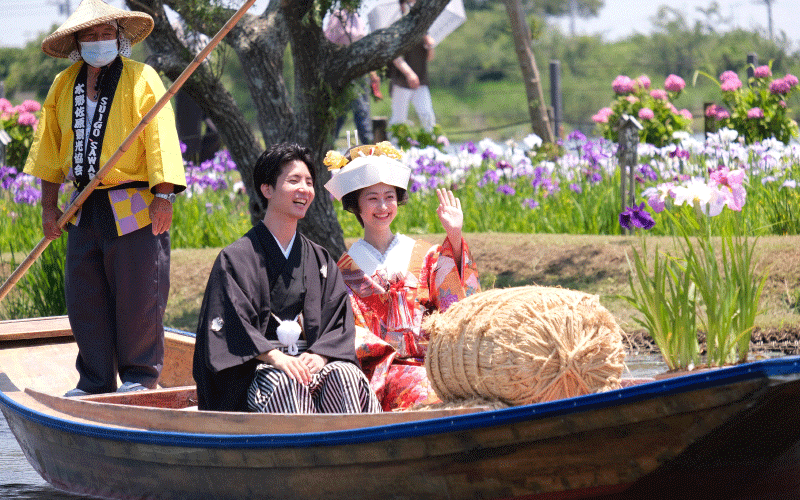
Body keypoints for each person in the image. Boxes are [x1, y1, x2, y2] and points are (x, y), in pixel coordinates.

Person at [23, 0, 186, 397]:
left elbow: (161, 139)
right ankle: (94, 381)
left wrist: (163, 195)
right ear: (78, 42)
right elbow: (49, 146)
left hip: (133, 200)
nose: (99, 41)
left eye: (106, 33)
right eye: (90, 35)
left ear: (119, 36)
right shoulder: (64, 84)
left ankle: (139, 377)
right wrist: (49, 206)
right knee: (84, 295)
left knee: (139, 291)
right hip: (82, 204)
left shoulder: (143, 78)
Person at [193, 143, 381, 414]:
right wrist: (276, 357)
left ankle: (355, 451)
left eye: (309, 182)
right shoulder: (235, 259)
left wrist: (321, 354)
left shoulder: (319, 259)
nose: (304, 189)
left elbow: (339, 320)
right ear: (267, 189)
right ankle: (300, 455)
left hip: (310, 363)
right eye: (294, 181)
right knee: (285, 384)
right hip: (260, 368)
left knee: (345, 376)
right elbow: (228, 325)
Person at [323, 142, 480, 411]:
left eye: (390, 196)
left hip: (431, 362)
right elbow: (346, 331)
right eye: (372, 198)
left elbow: (458, 302)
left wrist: (454, 236)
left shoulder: (426, 255)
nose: (383, 206)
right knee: (430, 393)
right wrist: (385, 351)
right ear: (356, 206)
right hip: (380, 369)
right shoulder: (344, 271)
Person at [324, 7, 381, 144]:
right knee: (340, 115)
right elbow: (330, 43)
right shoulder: (337, 16)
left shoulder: (357, 16)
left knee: (362, 112)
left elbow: (364, 48)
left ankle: (369, 148)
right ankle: (328, 147)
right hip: (344, 72)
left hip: (360, 72)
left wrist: (372, 72)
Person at [387, 0, 436, 132]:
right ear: (402, 5)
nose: (413, 6)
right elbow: (395, 56)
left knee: (427, 116)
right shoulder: (397, 27)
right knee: (399, 121)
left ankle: (432, 147)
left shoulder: (423, 27)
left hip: (421, 79)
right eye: (410, 3)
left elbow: (429, 58)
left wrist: (430, 45)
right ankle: (393, 150)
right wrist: (409, 73)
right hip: (401, 80)